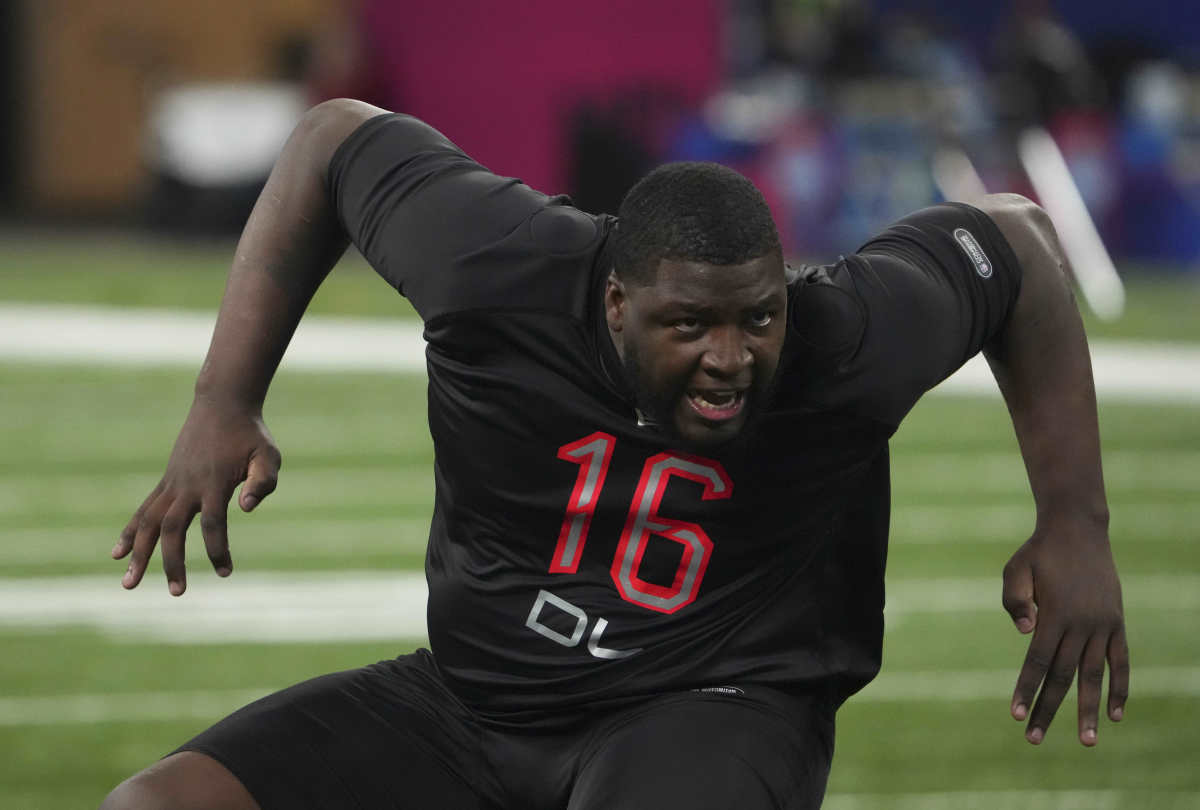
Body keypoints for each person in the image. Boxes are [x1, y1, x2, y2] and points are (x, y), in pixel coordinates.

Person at [101, 99, 1129, 810]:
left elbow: (1020, 245)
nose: (731, 359)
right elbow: (332, 138)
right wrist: (223, 397)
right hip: (476, 700)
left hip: (711, 707)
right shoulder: (495, 265)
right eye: (690, 328)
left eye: (758, 320)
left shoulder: (847, 334)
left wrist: (1074, 519)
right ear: (614, 305)